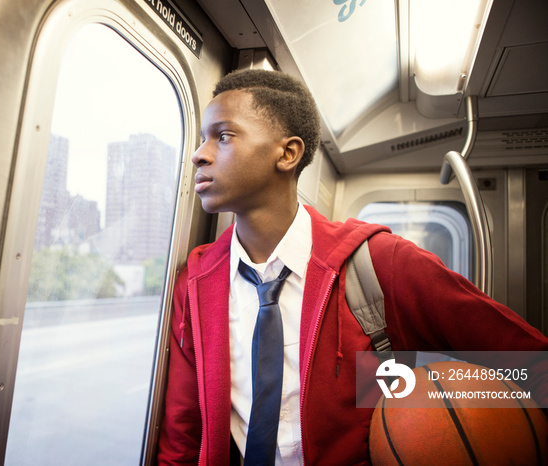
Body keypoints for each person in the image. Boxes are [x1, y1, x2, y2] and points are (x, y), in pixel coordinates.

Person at [156, 69, 548, 465]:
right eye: (203, 137)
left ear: (287, 154)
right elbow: (183, 436)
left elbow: (534, 368)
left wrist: (433, 398)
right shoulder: (196, 282)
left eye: (222, 136)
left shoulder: (379, 264)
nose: (199, 154)